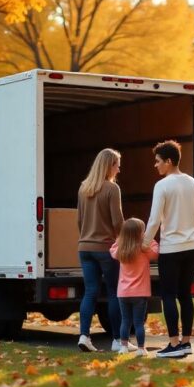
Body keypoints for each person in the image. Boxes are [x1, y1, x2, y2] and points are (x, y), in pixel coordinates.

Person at [144, 140, 194, 358]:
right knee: (185, 294)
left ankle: (174, 344)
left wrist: (144, 243)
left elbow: (154, 220)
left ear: (168, 161)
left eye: (158, 161)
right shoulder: (193, 182)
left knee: (168, 295)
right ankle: (186, 342)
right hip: (193, 246)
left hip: (172, 248)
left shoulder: (163, 185)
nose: (155, 165)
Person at [76, 148, 131, 353]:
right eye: (117, 164)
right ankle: (117, 339)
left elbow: (79, 220)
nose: (119, 168)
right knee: (114, 293)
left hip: (84, 248)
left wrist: (87, 237)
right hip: (106, 249)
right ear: (109, 166)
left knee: (90, 292)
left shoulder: (83, 188)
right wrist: (124, 240)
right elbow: (118, 222)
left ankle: (84, 336)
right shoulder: (111, 189)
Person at [110, 218, 159, 357]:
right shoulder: (144, 250)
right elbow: (156, 251)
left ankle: (124, 347)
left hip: (123, 293)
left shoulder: (121, 250)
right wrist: (148, 239)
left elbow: (112, 249)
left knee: (125, 320)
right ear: (141, 233)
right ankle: (141, 348)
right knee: (138, 323)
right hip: (140, 293)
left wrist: (120, 239)